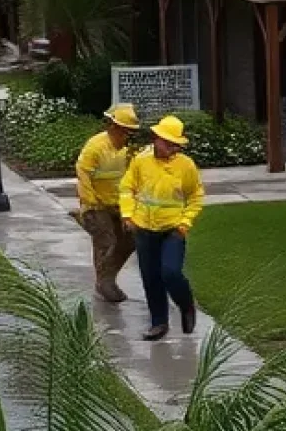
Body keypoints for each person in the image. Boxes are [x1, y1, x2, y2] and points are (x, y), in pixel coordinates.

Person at [119, 114, 204, 342]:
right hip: (144, 229)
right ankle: (159, 323)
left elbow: (196, 196)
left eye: (176, 144)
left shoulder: (186, 166)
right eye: (168, 143)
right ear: (155, 139)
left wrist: (185, 223)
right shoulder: (141, 161)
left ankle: (186, 305)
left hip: (173, 230)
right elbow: (127, 188)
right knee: (151, 277)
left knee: (171, 272)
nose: (172, 148)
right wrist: (128, 215)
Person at [75, 103, 140, 303]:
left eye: (131, 133)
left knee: (130, 240)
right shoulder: (96, 147)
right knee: (106, 240)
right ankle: (105, 283)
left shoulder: (126, 151)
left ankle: (106, 279)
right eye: (125, 132)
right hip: (96, 205)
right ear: (114, 127)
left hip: (118, 203)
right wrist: (91, 203)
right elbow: (83, 173)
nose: (128, 137)